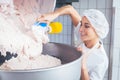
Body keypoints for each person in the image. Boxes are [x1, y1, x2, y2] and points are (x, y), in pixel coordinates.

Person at [37, 5, 109, 80]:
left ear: (98, 30)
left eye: (86, 26)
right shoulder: (84, 37)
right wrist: (53, 15)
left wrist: (83, 66)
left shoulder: (101, 60)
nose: (80, 29)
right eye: (81, 24)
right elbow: (70, 9)